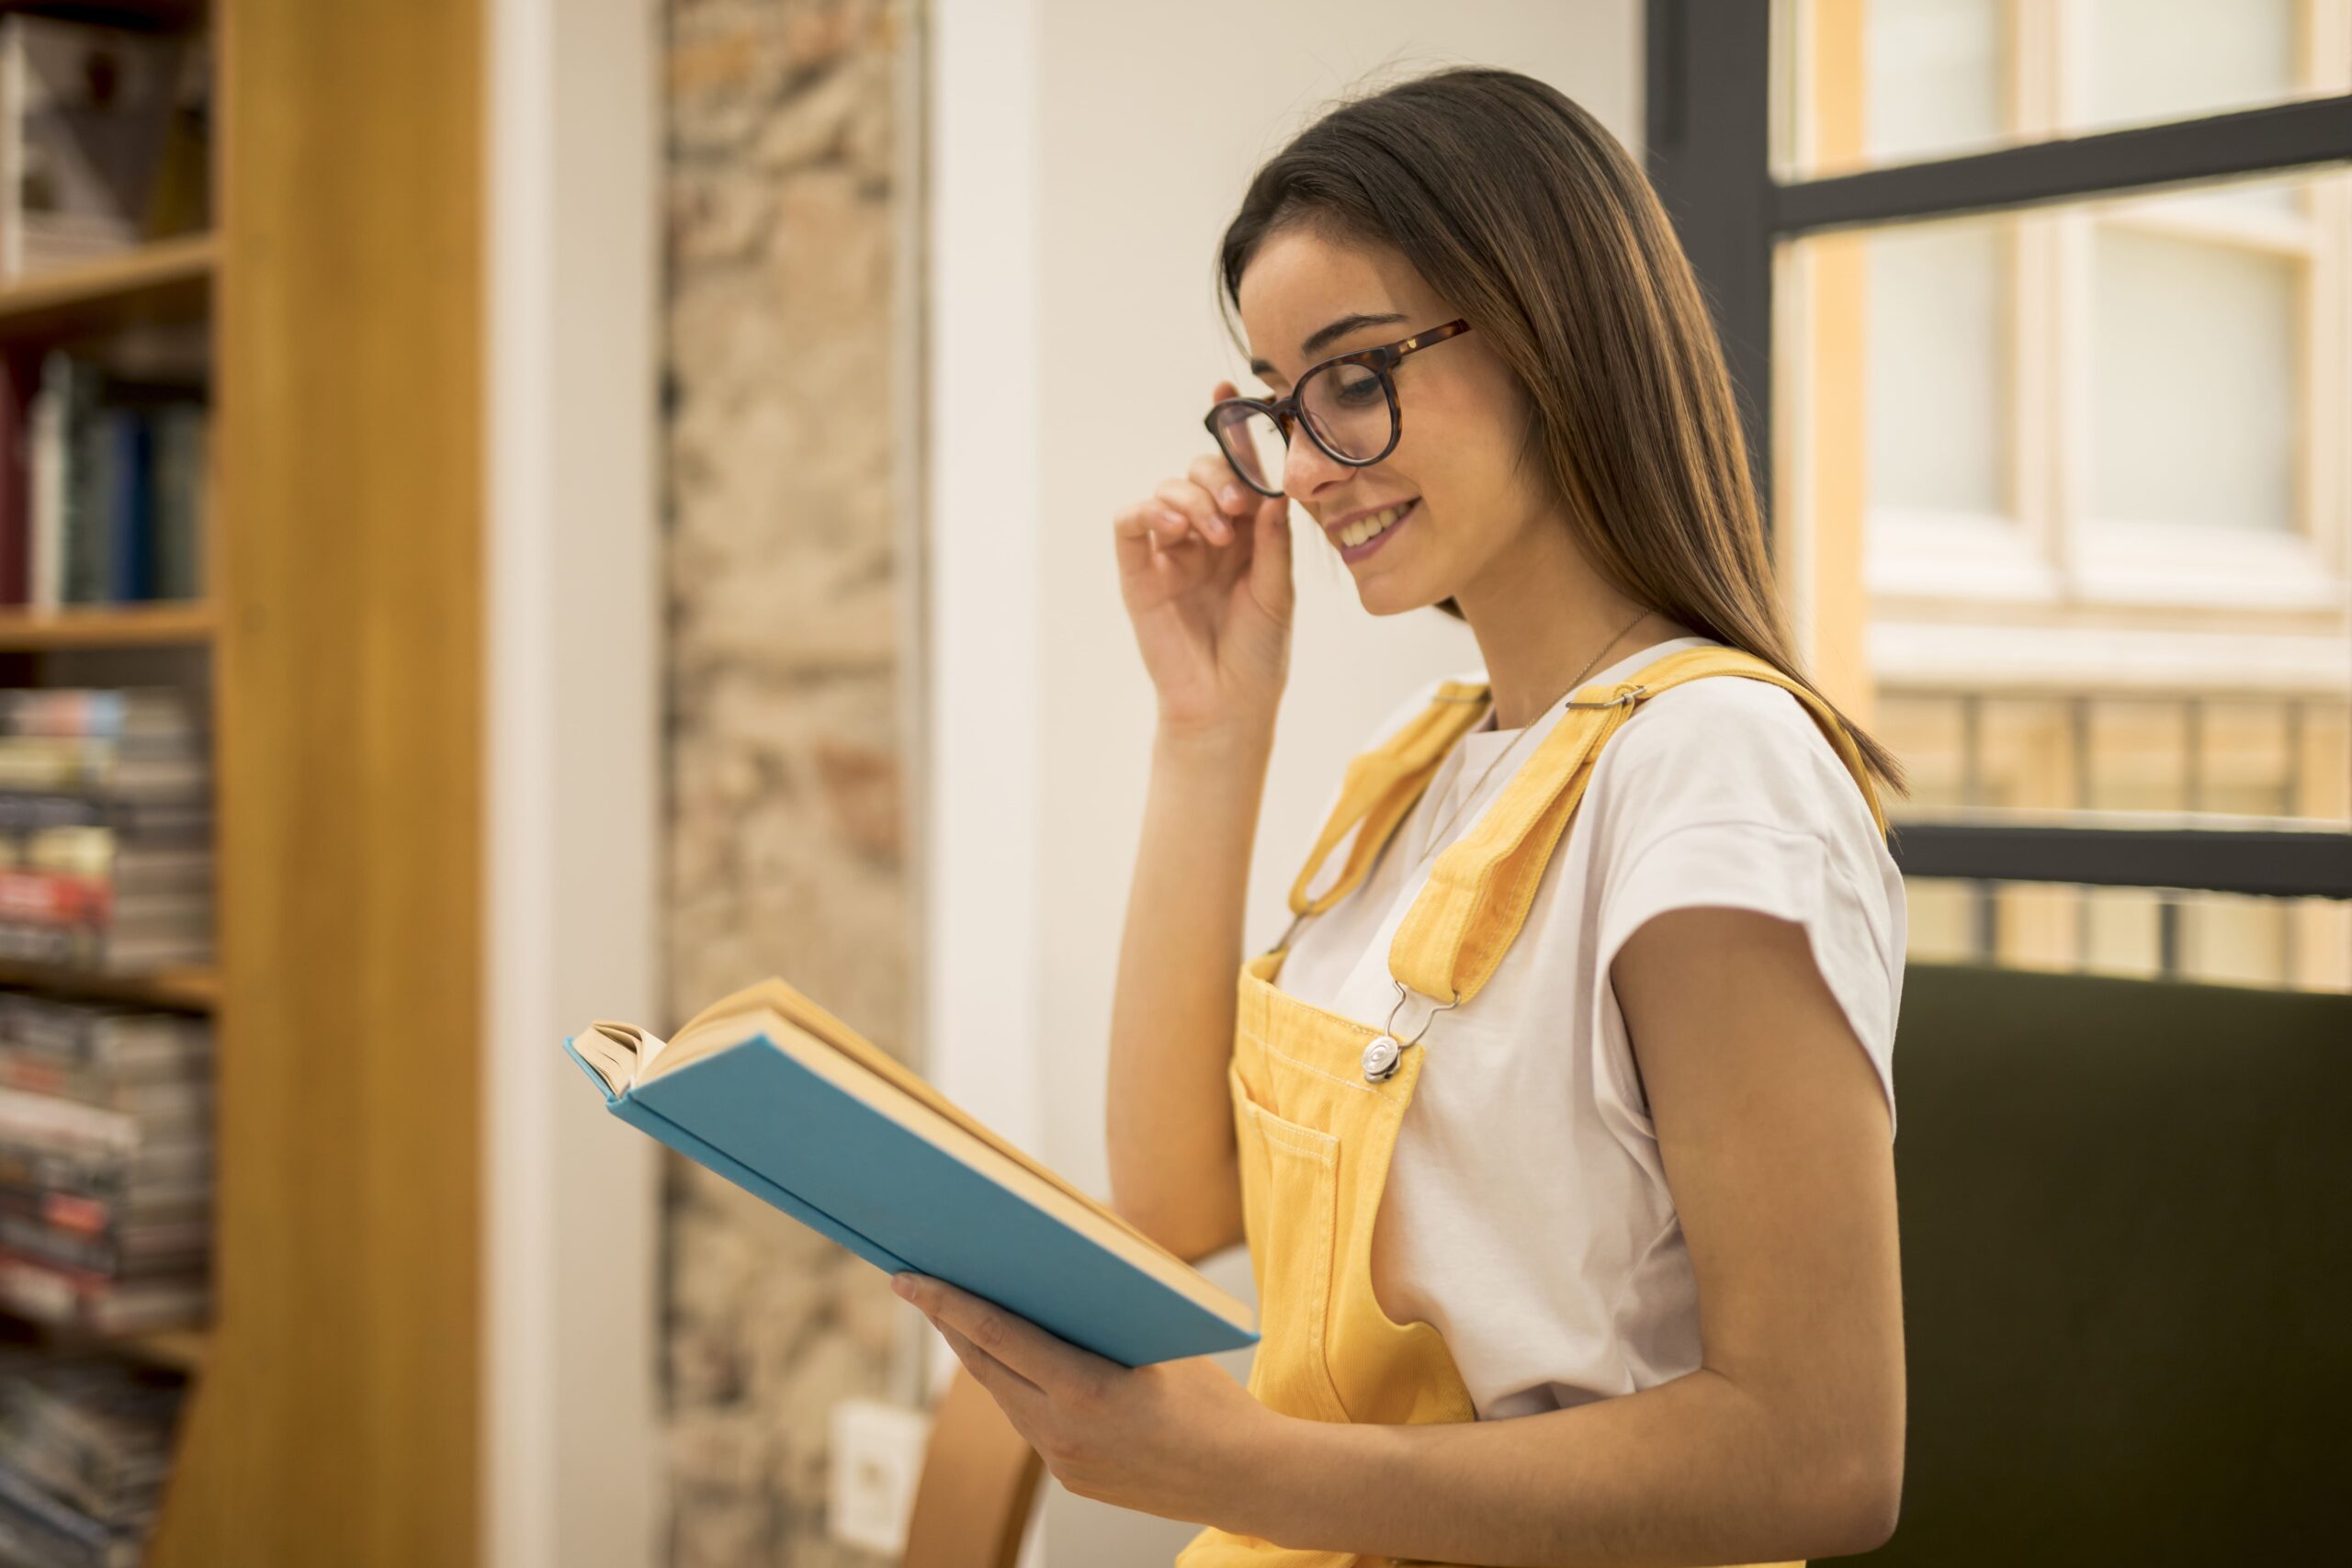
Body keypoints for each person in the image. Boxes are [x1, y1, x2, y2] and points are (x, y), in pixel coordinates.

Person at [888, 64, 1907, 1567]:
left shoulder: (1714, 770)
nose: (1301, 471)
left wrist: (1244, 1466)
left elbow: (1817, 1457)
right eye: (1277, 406)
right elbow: (1176, 1196)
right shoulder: (1428, 762)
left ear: (1552, 330)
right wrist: (1207, 732)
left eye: (1355, 379)